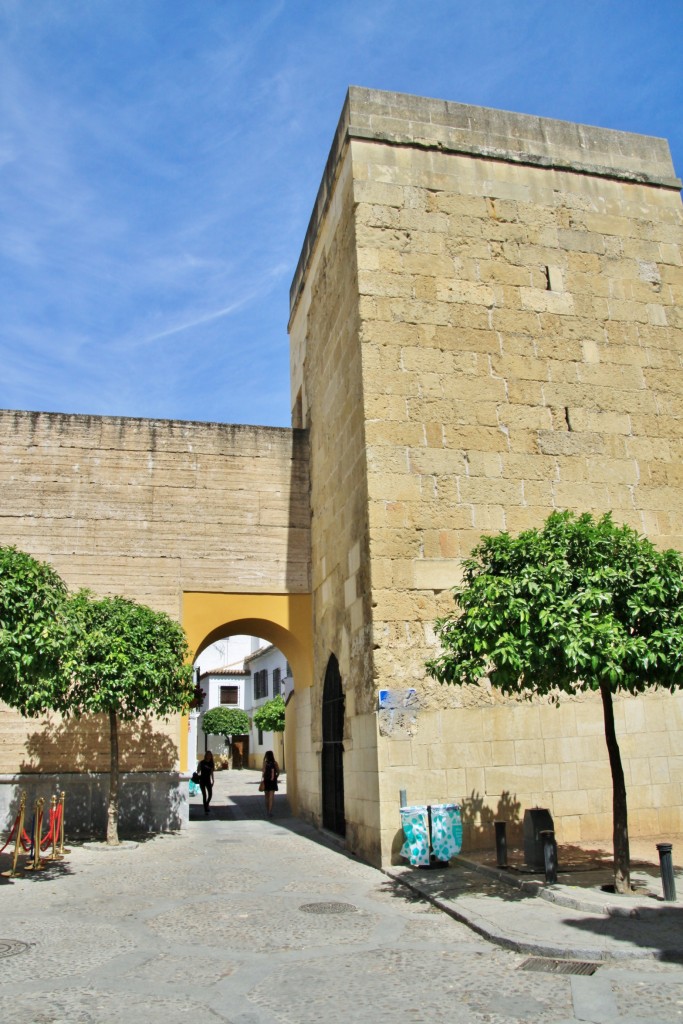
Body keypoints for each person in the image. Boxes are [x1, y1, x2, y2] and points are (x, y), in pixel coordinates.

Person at [261, 750, 279, 816]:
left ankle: (267, 810)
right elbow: (278, 772)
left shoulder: (265, 763)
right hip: (273, 781)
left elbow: (263, 771)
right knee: (271, 797)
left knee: (266, 797)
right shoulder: (275, 763)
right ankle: (270, 812)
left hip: (266, 781)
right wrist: (276, 777)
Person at [197, 750, 214, 814]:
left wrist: (213, 779)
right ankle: (205, 808)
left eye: (210, 755)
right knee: (204, 795)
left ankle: (206, 804)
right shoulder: (202, 762)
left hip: (208, 780)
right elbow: (198, 771)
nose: (209, 756)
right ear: (206, 755)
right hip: (202, 780)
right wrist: (197, 773)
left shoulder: (211, 763)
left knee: (210, 794)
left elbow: (212, 772)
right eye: (208, 755)